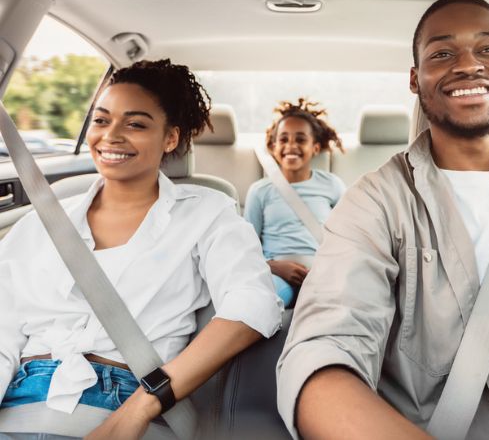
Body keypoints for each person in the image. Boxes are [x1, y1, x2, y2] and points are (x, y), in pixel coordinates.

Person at [276, 0, 489, 440]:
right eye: (443, 53)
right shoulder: (376, 201)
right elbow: (322, 352)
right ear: (415, 80)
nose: (469, 64)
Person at [0, 59, 283, 439]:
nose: (111, 135)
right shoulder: (39, 223)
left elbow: (254, 304)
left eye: (135, 124)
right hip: (16, 403)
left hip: (127, 399)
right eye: (101, 120)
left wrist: (143, 405)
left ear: (170, 138)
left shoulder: (207, 213)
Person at [244, 98, 345, 307]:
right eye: (283, 139)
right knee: (265, 301)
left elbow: (348, 238)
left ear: (315, 147)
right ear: (273, 147)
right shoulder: (260, 191)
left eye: (300, 140)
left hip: (322, 272)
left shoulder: (332, 185)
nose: (291, 146)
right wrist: (273, 267)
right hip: (276, 272)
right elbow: (246, 249)